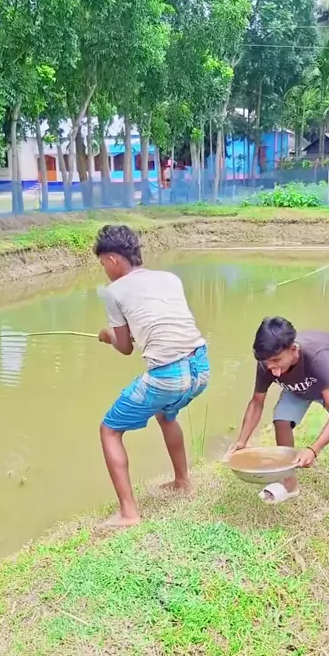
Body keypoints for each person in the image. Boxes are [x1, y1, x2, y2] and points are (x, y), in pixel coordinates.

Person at [230, 316, 329, 541]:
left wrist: (313, 449)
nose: (273, 370)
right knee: (281, 420)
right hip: (301, 388)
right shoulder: (267, 362)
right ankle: (289, 484)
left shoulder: (317, 357)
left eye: (276, 361)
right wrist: (241, 441)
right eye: (267, 363)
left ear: (293, 349)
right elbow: (257, 402)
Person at [96, 225, 209, 527]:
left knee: (109, 430)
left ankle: (128, 513)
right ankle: (182, 481)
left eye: (103, 264)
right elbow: (163, 322)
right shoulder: (170, 278)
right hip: (200, 367)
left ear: (113, 259)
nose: (105, 270)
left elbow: (124, 347)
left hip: (169, 375)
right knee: (166, 415)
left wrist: (108, 336)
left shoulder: (114, 291)